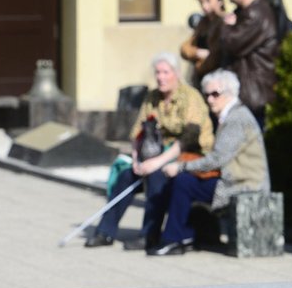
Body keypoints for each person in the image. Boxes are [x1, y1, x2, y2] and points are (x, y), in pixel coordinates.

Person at [85, 52, 213, 250]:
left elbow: (189, 137)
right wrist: (137, 159)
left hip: (186, 156)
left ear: (176, 74)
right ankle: (105, 231)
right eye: (157, 73)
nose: (160, 77)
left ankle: (149, 234)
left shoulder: (190, 97)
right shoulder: (152, 98)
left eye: (165, 72)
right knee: (126, 176)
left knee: (156, 176)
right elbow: (138, 132)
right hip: (154, 155)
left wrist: (158, 162)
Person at [144, 69, 271, 256]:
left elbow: (217, 159)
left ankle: (173, 240)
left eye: (215, 94)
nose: (210, 99)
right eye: (207, 95)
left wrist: (181, 167)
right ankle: (184, 235)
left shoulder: (237, 118)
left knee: (184, 182)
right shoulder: (232, 115)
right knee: (187, 182)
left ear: (230, 93)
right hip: (235, 181)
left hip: (245, 185)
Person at [221, 0, 279, 130]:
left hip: (253, 91)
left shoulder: (256, 13)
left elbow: (233, 44)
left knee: (250, 140)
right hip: (247, 89)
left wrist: (227, 28)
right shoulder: (245, 12)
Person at [180, 0, 225, 89]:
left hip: (218, 78)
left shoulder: (224, 22)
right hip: (201, 78)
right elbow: (185, 48)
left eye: (208, 1)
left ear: (220, 1)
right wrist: (197, 52)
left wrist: (202, 62)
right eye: (201, 2)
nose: (205, 6)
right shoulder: (203, 24)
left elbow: (216, 56)